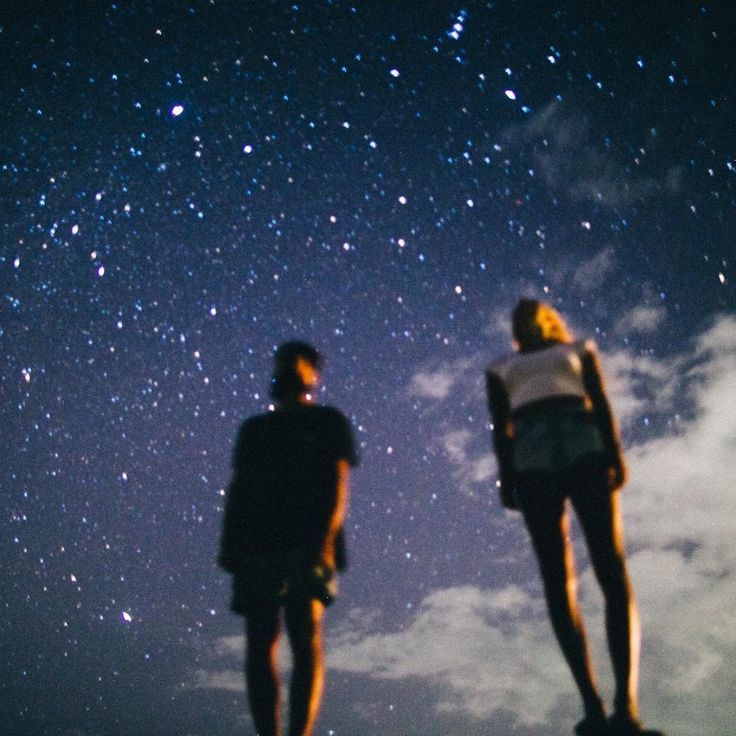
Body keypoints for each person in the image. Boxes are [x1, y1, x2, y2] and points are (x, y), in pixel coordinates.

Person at [485, 299, 664, 736]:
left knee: (610, 565)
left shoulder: (580, 349)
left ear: (550, 319)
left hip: (582, 444)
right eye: (520, 316)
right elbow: (500, 426)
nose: (528, 318)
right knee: (555, 577)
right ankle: (592, 705)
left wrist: (614, 453)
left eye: (536, 313)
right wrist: (506, 478)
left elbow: (599, 400)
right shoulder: (500, 367)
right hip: (531, 456)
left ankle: (626, 704)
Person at [219, 341, 357, 736]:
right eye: (281, 363)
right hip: (256, 543)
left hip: (307, 540)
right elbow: (239, 486)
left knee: (304, 632)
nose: (285, 369)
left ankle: (299, 733)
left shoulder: (328, 421)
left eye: (296, 364)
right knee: (259, 638)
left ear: (313, 375)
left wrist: (325, 540)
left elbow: (337, 482)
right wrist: (230, 543)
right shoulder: (255, 429)